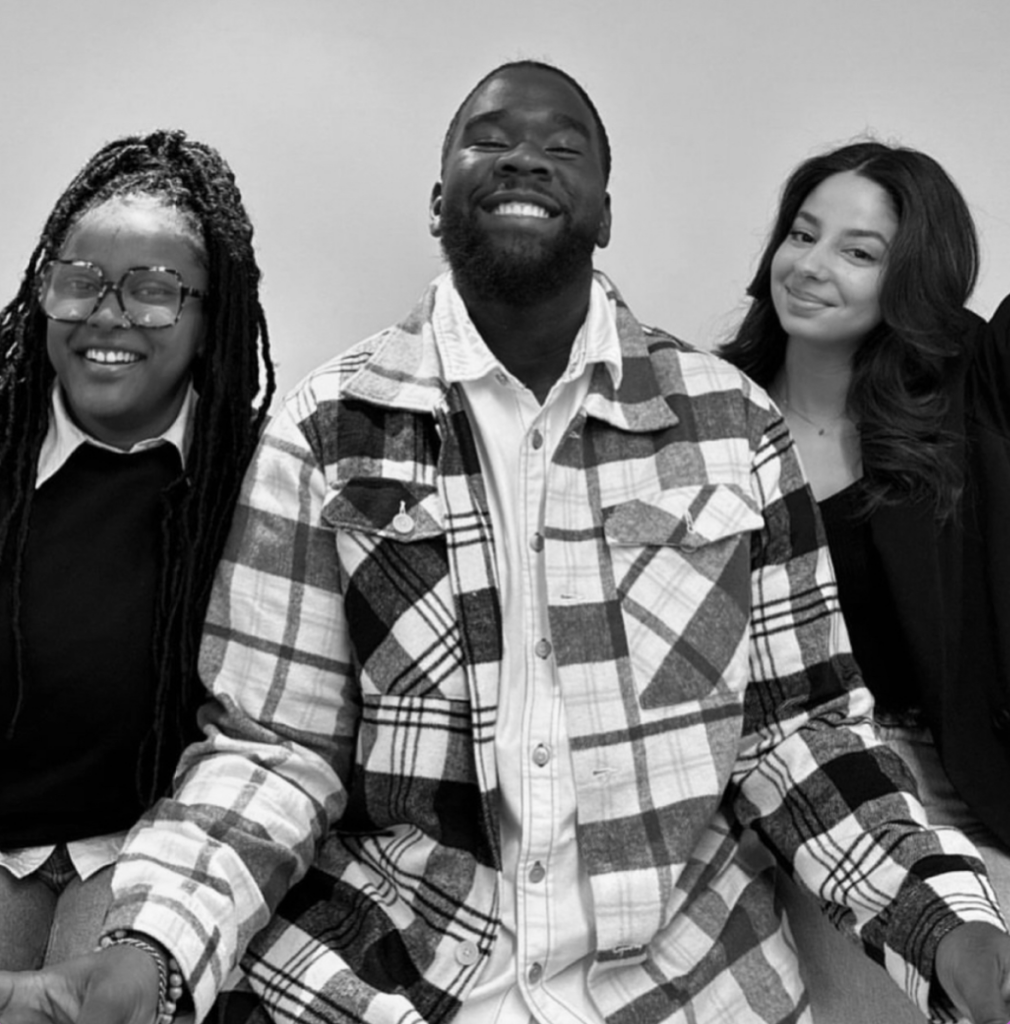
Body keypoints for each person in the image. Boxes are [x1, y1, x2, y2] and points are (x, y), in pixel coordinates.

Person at [2, 63, 1010, 1024]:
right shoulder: (323, 431)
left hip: (687, 987)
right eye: (489, 141)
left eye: (561, 147)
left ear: (605, 213)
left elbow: (800, 735)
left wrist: (951, 933)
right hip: (384, 978)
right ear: (437, 203)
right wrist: (149, 952)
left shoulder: (731, 426)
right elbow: (274, 754)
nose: (525, 157)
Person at [718, 141, 1010, 1023]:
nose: (811, 266)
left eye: (859, 251)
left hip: (956, 776)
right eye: (802, 234)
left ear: (912, 279)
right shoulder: (706, 412)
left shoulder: (966, 396)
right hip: (778, 787)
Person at [0, 130, 274, 970]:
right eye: (79, 281)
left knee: (107, 1004)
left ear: (210, 319)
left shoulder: (261, 473)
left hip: (153, 843)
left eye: (154, 291)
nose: (107, 315)